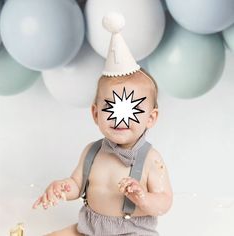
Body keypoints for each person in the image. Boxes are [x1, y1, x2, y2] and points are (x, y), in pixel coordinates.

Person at [32, 13, 173, 236]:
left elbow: (164, 201)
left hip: (131, 232)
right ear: (95, 114)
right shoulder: (92, 151)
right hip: (89, 229)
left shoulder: (151, 159)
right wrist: (63, 187)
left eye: (131, 109)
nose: (120, 118)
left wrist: (143, 198)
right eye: (111, 108)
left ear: (151, 118)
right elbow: (77, 185)